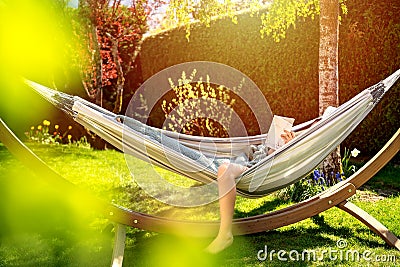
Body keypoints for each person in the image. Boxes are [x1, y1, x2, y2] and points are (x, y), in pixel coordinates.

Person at [205, 130, 296, 254]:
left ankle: (224, 235)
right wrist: (273, 144)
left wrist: (289, 147)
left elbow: (280, 165)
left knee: (224, 170)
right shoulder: (265, 146)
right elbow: (265, 152)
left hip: (255, 170)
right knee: (209, 162)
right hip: (247, 160)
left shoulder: (297, 142)